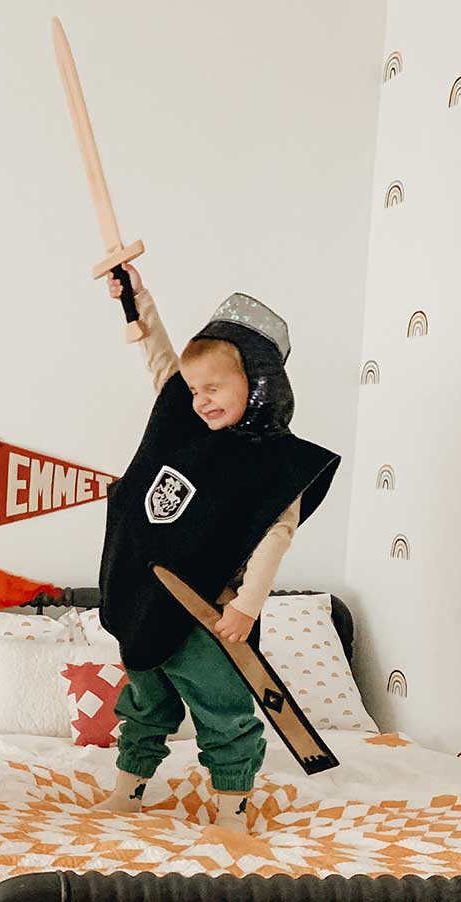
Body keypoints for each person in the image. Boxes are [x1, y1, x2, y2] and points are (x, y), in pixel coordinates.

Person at [96, 265, 340, 827]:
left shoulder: (277, 460)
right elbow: (161, 361)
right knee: (144, 701)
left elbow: (275, 536)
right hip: (143, 597)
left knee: (222, 708)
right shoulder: (180, 421)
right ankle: (128, 794)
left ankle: (231, 811)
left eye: (214, 388)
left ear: (256, 383)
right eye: (195, 389)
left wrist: (248, 604)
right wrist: (137, 301)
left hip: (209, 611)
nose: (201, 400)